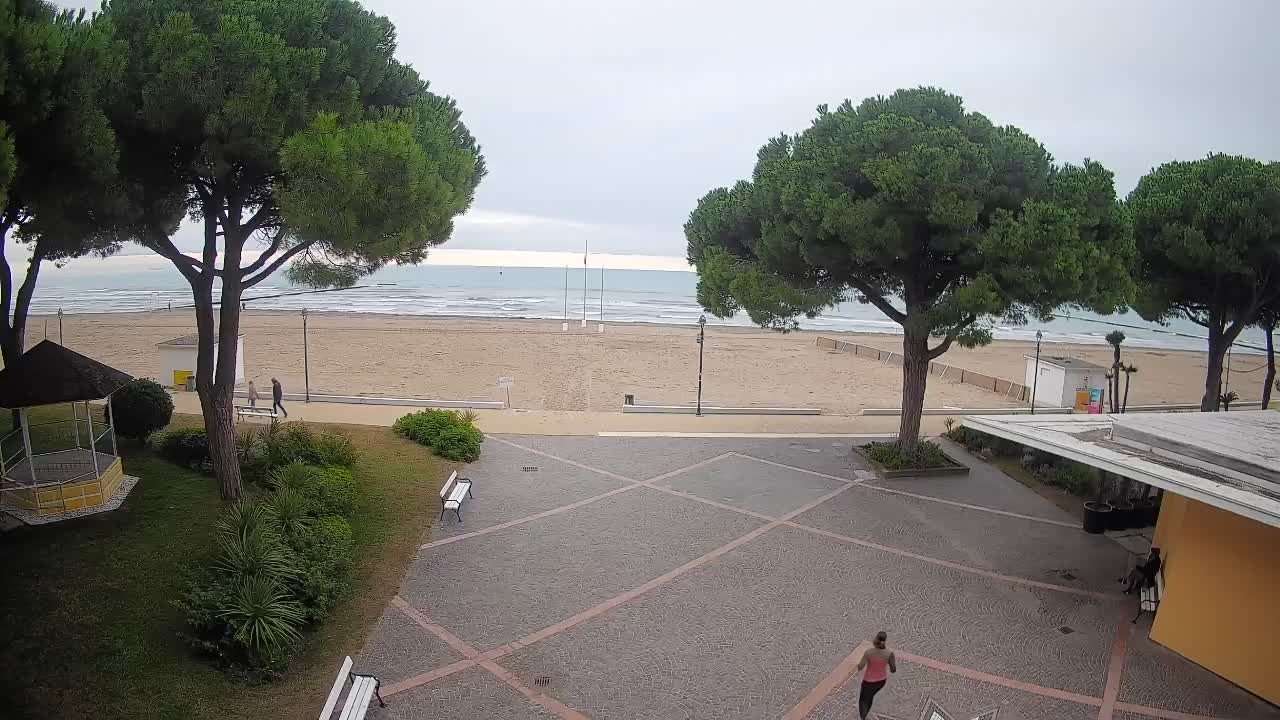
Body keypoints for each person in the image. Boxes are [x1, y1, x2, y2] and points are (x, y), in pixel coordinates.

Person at [856, 631, 896, 719]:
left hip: (868, 681)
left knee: (863, 700)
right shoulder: (889, 653)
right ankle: (865, 713)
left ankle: (863, 717)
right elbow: (893, 669)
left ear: (875, 640)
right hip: (881, 681)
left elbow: (861, 666)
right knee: (870, 697)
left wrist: (858, 667)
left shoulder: (869, 653)